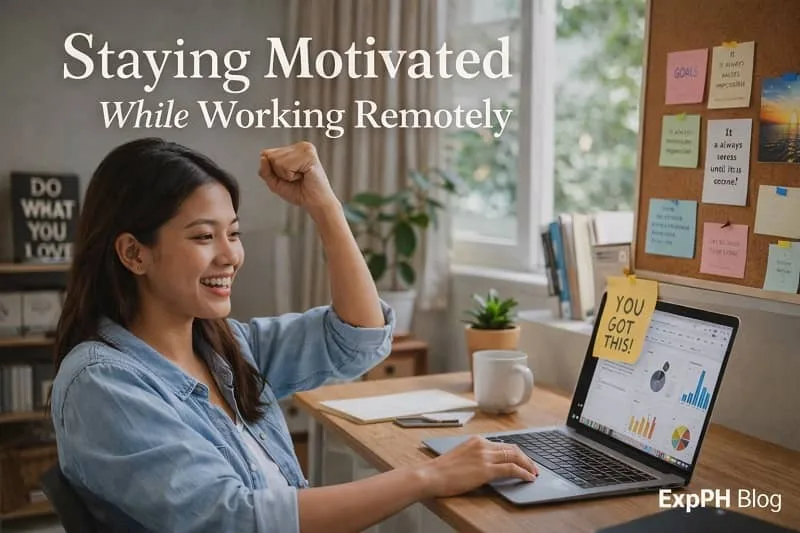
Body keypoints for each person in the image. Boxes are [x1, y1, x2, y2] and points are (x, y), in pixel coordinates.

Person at [50, 138, 538, 533]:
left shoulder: (226, 345)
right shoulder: (102, 383)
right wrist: (429, 477)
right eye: (203, 236)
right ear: (134, 254)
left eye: (234, 233)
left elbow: (358, 337)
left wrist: (324, 206)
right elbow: (235, 521)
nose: (230, 256)